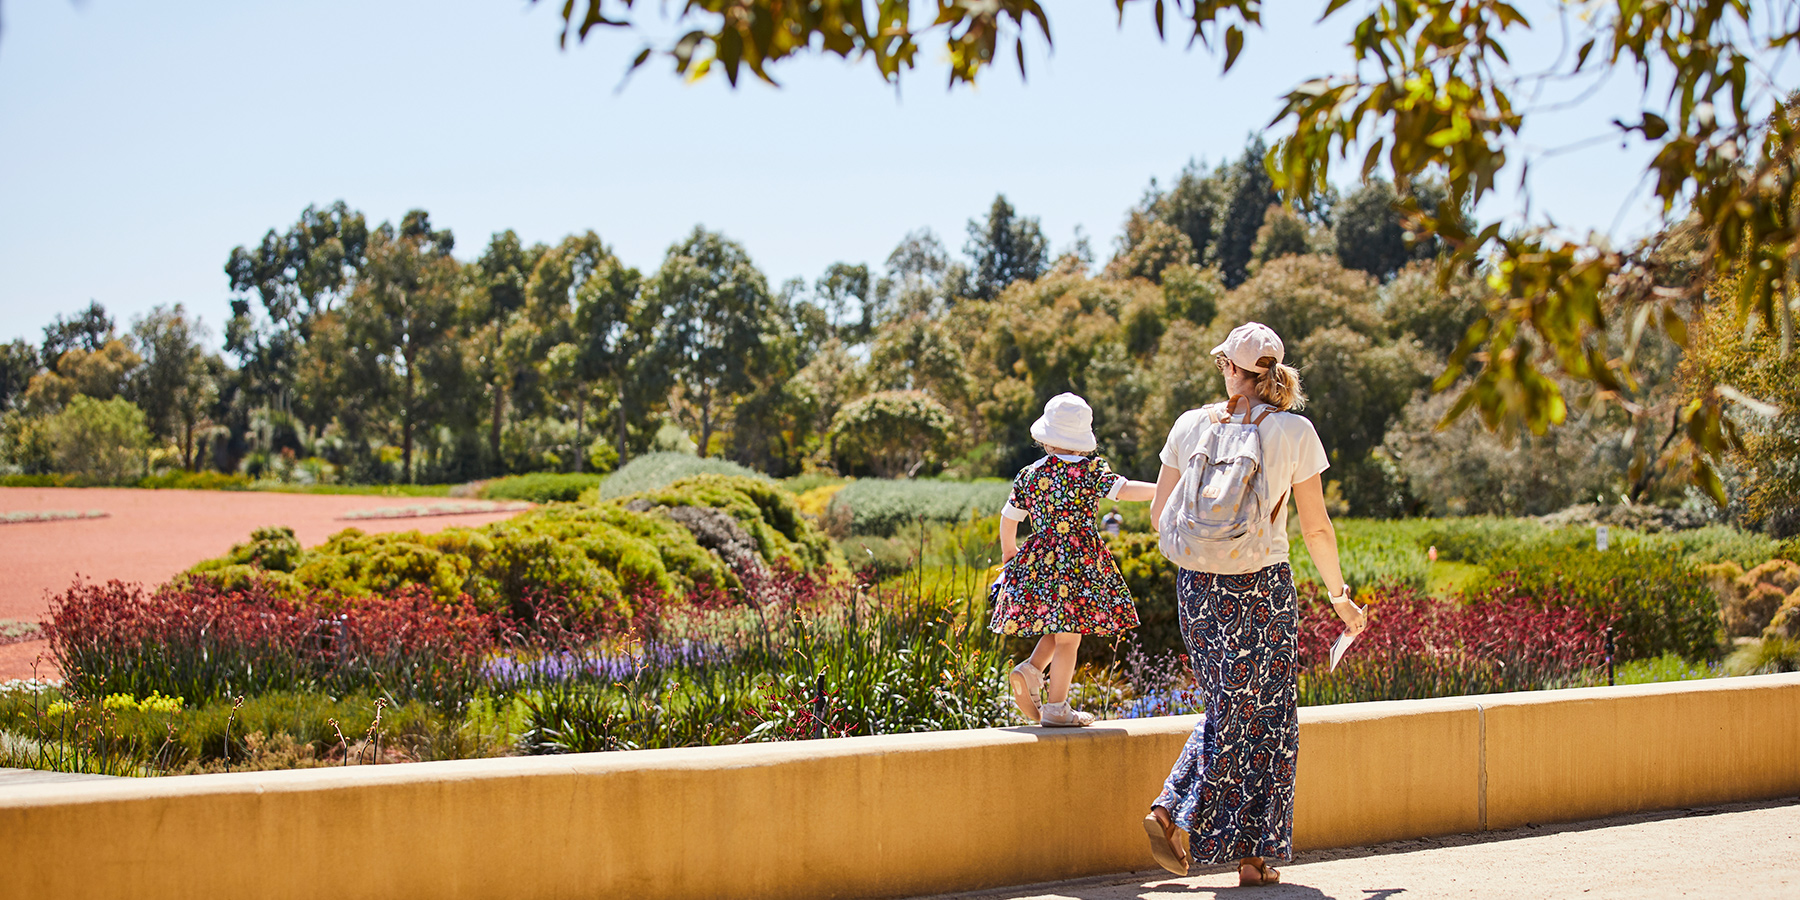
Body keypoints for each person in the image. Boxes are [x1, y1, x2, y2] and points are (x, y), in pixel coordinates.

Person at [1141, 322, 1367, 887]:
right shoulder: (1294, 430)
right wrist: (1340, 598)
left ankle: (1185, 818)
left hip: (1197, 585)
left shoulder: (1190, 424)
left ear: (1227, 367)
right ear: (1273, 372)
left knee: (1225, 705)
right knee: (1269, 718)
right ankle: (1242, 851)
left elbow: (1159, 515)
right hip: (1262, 585)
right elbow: (1315, 528)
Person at [989, 392, 1156, 726]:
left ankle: (1033, 669)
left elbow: (1009, 519)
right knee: (1071, 636)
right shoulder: (1092, 470)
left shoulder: (1030, 474)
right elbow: (1125, 490)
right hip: (1079, 559)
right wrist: (1165, 487)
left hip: (1041, 560)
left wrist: (1009, 552)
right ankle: (1056, 708)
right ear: (1083, 440)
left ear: (1047, 438)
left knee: (1059, 625)